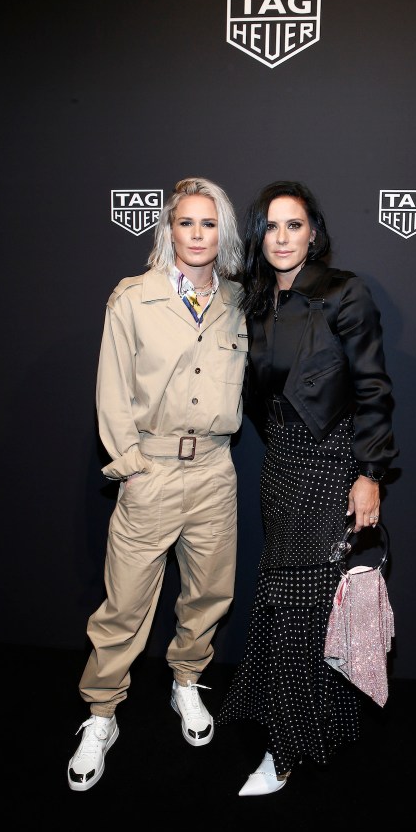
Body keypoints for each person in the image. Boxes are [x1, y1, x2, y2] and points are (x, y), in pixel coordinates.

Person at [217, 179, 398, 796]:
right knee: (292, 602)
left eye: (294, 225)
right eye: (271, 226)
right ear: (258, 236)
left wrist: (369, 474)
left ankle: (285, 748)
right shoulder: (256, 301)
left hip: (332, 464)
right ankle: (317, 720)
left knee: (303, 609)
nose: (283, 237)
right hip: (281, 466)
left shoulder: (344, 292)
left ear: (313, 232)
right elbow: (258, 394)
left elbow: (372, 387)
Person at [67, 177, 247, 791]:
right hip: (151, 471)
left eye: (209, 224)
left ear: (223, 233)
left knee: (208, 595)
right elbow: (112, 390)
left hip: (216, 472)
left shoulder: (238, 303)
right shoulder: (133, 299)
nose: (197, 234)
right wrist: (131, 465)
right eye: (186, 223)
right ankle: (101, 714)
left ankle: (186, 683)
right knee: (123, 605)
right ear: (167, 229)